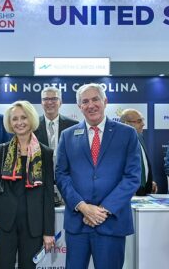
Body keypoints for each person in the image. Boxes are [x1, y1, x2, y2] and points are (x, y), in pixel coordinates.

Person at [56, 83, 141, 269]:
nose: (91, 105)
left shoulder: (127, 134)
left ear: (105, 101)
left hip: (111, 222)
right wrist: (83, 207)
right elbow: (61, 175)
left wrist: (102, 210)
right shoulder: (67, 136)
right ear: (79, 107)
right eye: (85, 101)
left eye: (95, 99)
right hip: (78, 223)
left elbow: (132, 177)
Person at [0, 101, 55, 269]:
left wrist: (48, 232)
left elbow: (47, 194)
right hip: (5, 223)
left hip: (33, 224)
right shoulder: (1, 151)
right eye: (14, 119)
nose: (19, 122)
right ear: (10, 123)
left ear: (31, 119)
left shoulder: (45, 153)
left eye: (23, 117)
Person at [120, 109, 158, 195]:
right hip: (127, 192)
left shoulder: (140, 136)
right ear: (126, 123)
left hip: (144, 191)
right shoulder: (117, 142)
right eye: (139, 121)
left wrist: (149, 182)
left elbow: (143, 163)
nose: (143, 124)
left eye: (142, 120)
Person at [34, 86, 78, 153]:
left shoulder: (73, 125)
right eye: (45, 99)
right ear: (41, 103)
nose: (49, 102)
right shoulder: (33, 125)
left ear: (60, 102)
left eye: (54, 99)